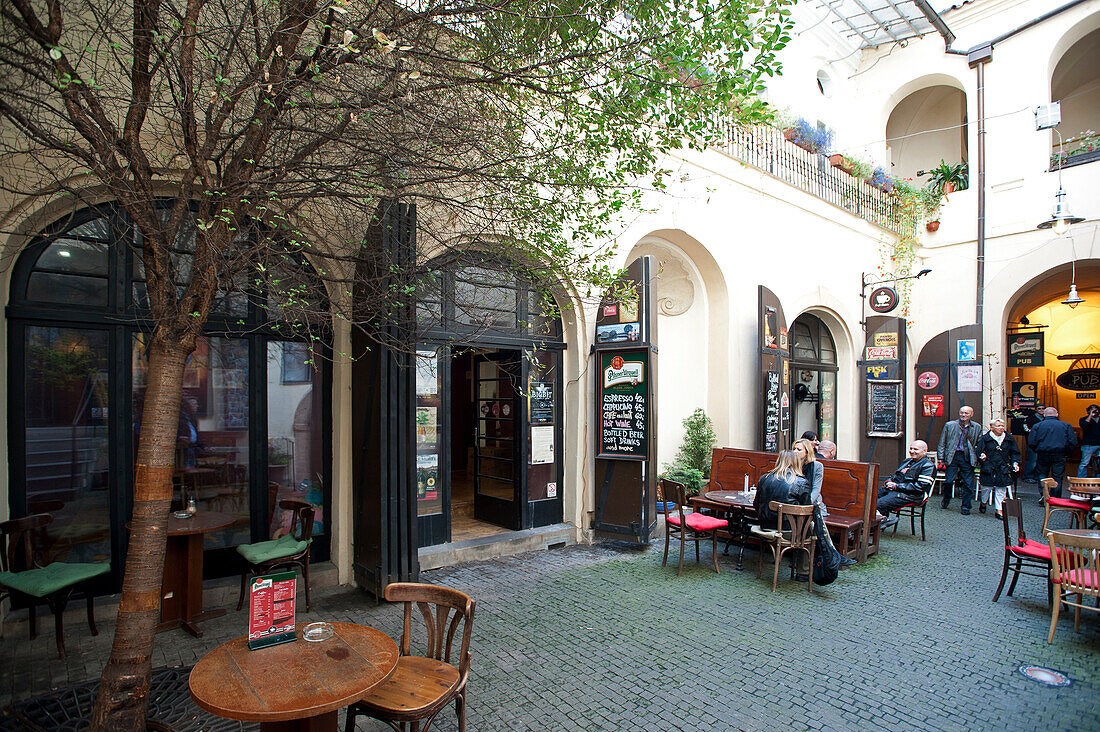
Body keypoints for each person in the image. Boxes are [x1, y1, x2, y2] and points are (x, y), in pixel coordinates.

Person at [793, 438, 856, 567]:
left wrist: (807, 504)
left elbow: (816, 489)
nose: (794, 452)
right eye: (793, 449)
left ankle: (829, 557)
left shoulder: (817, 466)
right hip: (794, 506)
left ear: (807, 452)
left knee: (814, 520)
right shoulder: (790, 465)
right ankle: (832, 556)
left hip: (812, 503)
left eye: (798, 449)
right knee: (814, 523)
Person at [754, 450, 812, 581]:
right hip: (788, 531)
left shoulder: (765, 478)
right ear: (796, 462)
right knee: (809, 528)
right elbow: (807, 511)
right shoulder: (801, 482)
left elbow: (756, 504)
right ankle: (804, 572)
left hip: (766, 526)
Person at [878, 440, 936, 529]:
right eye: (911, 448)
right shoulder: (907, 461)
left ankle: (876, 525)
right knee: (869, 497)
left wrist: (896, 486)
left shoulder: (928, 466)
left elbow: (921, 487)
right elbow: (896, 476)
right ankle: (882, 521)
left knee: (879, 503)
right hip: (897, 490)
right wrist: (889, 482)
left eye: (916, 449)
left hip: (912, 495)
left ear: (924, 451)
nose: (912, 451)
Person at [936, 405, 982, 514]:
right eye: (962, 412)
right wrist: (941, 457)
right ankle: (946, 499)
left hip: (968, 457)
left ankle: (966, 506)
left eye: (966, 413)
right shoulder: (950, 425)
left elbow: (979, 444)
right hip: (953, 456)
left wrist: (980, 456)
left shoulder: (977, 427)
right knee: (948, 481)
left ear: (971, 414)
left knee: (968, 483)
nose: (963, 415)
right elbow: (942, 442)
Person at [1028, 406, 1077, 498]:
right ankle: (1056, 497)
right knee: (1057, 476)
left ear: (1044, 415)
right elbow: (1072, 441)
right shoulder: (1066, 426)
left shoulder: (1037, 426)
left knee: (1042, 475)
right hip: (1059, 453)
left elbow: (1031, 442)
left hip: (1042, 453)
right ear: (1057, 414)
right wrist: (1066, 452)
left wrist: (1037, 450)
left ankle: (1044, 496)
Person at [977, 418, 1020, 520]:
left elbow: (1015, 452)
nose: (1001, 428)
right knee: (986, 488)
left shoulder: (1009, 438)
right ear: (991, 427)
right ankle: (983, 503)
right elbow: (979, 451)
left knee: (1001, 489)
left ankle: (999, 510)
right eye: (998, 426)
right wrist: (982, 456)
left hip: (1003, 466)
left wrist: (1015, 463)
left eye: (1002, 426)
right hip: (989, 465)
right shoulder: (985, 438)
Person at [1021, 404, 1044, 482]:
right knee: (1032, 460)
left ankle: (1037, 477)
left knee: (1040, 461)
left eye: (1043, 408)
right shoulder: (1030, 418)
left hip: (1043, 444)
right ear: (1036, 409)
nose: (1041, 410)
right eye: (1039, 408)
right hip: (1032, 443)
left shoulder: (1046, 419)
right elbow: (1026, 429)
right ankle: (1028, 476)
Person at [1078, 404, 1100, 478]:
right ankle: (1081, 478)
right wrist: (1090, 415)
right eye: (1092, 410)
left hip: (1099, 444)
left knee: (1098, 463)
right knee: (1085, 463)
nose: (1095, 412)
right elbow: (1084, 426)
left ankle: (1097, 478)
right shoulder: (1083, 419)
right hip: (1088, 444)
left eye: (1096, 410)